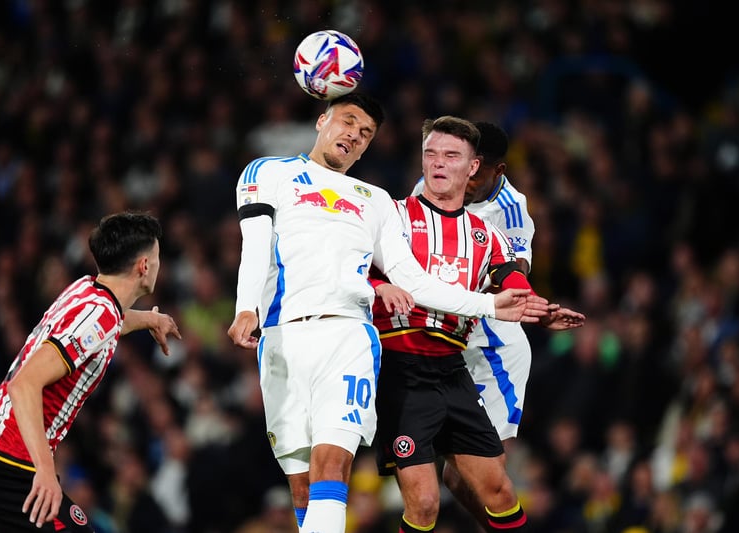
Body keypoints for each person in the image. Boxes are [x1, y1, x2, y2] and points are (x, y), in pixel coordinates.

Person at [226, 93, 551, 533]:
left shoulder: (373, 199)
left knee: (336, 466)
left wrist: (493, 303)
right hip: (282, 337)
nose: (353, 136)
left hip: (352, 339)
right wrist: (246, 307)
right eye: (347, 123)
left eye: (365, 134)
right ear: (322, 120)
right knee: (302, 487)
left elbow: (417, 281)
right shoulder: (268, 172)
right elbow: (255, 244)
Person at [372, 116, 585, 533]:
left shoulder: (499, 222)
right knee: (426, 502)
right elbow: (374, 262)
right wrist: (380, 285)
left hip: (483, 350)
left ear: (478, 166)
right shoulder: (399, 209)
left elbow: (512, 273)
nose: (440, 166)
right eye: (431, 155)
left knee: (483, 484)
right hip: (409, 360)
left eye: (452, 157)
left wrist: (536, 309)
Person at [0, 211, 182, 532]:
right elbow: (24, 384)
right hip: (7, 467)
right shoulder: (100, 316)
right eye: (157, 257)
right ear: (144, 266)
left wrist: (151, 319)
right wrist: (45, 470)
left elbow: (110, 321)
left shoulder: (88, 289)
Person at [412, 121, 541, 528]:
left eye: (476, 172)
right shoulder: (431, 184)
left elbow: (513, 274)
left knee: (473, 478)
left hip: (492, 350)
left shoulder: (511, 212)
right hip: (443, 346)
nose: (463, 179)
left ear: (495, 170)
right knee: (449, 481)